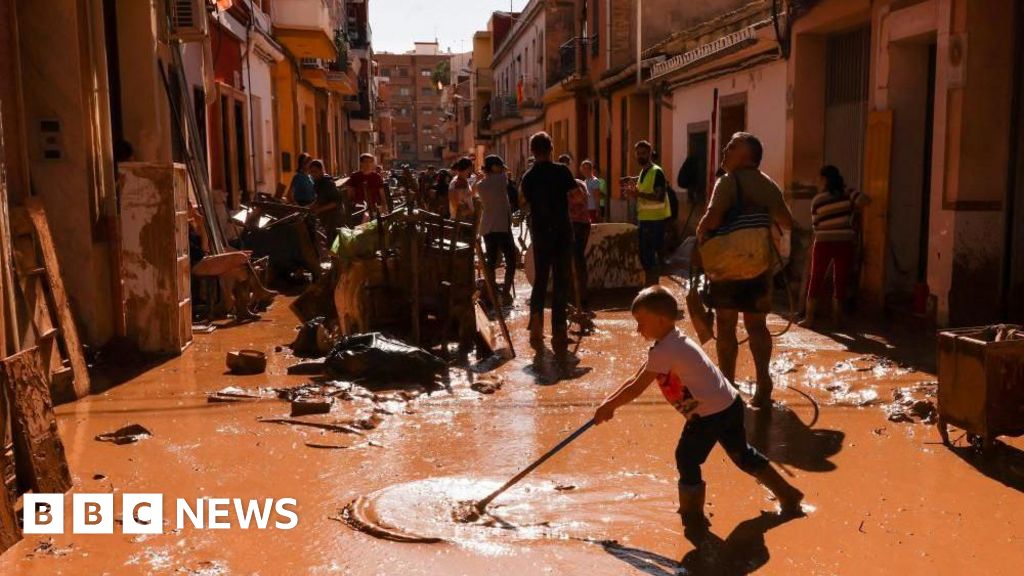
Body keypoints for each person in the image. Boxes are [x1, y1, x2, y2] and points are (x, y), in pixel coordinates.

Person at [593, 286, 804, 534]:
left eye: (641, 322)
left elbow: (637, 388)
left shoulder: (665, 350)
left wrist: (610, 406)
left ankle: (693, 516)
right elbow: (635, 378)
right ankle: (788, 494)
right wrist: (608, 403)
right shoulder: (671, 341)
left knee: (687, 457)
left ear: (661, 319)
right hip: (728, 402)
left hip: (709, 414)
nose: (638, 329)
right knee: (742, 454)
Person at [696, 132, 794, 409]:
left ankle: (727, 385)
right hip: (759, 265)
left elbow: (713, 218)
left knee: (725, 325)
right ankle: (763, 384)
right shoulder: (768, 185)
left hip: (726, 267)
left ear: (747, 155)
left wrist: (700, 234)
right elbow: (786, 222)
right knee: (757, 325)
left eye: (732, 146)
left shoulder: (727, 182)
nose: (725, 149)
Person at [522, 132, 576, 354]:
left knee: (541, 280)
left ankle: (536, 331)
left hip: (541, 234)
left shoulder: (528, 177)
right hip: (562, 232)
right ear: (551, 149)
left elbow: (522, 201)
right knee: (561, 282)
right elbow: (577, 197)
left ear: (532, 152)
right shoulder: (562, 171)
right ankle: (559, 331)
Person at [802, 165, 870, 328]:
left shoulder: (817, 200)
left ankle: (809, 319)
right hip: (844, 241)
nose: (818, 180)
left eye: (819, 177)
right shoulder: (848, 193)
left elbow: (815, 225)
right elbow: (866, 200)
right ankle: (837, 320)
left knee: (816, 278)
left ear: (825, 179)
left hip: (823, 241)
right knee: (840, 279)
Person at [189, 205, 276, 321]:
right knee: (241, 257)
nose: (192, 208)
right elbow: (205, 248)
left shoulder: (194, 224)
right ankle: (257, 289)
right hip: (196, 263)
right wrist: (203, 223)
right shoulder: (182, 227)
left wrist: (200, 224)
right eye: (188, 206)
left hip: (205, 260)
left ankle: (242, 310)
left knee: (239, 269)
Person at [475, 154, 516, 303]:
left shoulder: (480, 185)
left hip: (487, 227)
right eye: (499, 166)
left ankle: (491, 291)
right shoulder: (501, 179)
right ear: (494, 167)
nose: (502, 168)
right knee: (511, 259)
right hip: (501, 226)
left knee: (491, 261)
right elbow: (506, 173)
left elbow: (475, 189)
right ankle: (505, 292)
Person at [630, 141, 671, 285]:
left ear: (649, 153)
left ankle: (653, 291)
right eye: (638, 153)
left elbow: (659, 197)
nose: (640, 156)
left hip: (654, 221)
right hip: (644, 219)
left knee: (650, 258)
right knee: (644, 257)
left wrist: (638, 194)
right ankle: (651, 290)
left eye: (643, 153)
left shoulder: (656, 172)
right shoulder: (643, 172)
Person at [560, 153, 592, 309]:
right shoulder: (570, 184)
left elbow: (580, 199)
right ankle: (576, 296)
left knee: (577, 260)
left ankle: (580, 297)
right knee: (574, 260)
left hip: (578, 225)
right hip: (575, 225)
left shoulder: (576, 184)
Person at [307, 159, 342, 245]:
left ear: (321, 170)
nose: (313, 174)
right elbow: (319, 199)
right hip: (325, 215)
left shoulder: (328, 183)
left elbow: (335, 203)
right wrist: (307, 208)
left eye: (315, 171)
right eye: (311, 172)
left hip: (334, 215)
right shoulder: (318, 182)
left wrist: (319, 210)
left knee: (332, 241)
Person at [344, 153, 386, 221]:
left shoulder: (377, 177)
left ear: (373, 163)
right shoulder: (355, 176)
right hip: (359, 208)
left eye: (370, 162)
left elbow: (382, 194)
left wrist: (384, 208)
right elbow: (350, 194)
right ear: (361, 163)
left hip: (374, 207)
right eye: (366, 162)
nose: (368, 164)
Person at [449, 157, 475, 222]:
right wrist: (470, 211)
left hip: (465, 219)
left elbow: (468, 195)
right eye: (471, 168)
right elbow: (456, 204)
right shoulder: (457, 183)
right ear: (467, 168)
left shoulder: (464, 181)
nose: (472, 171)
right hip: (461, 221)